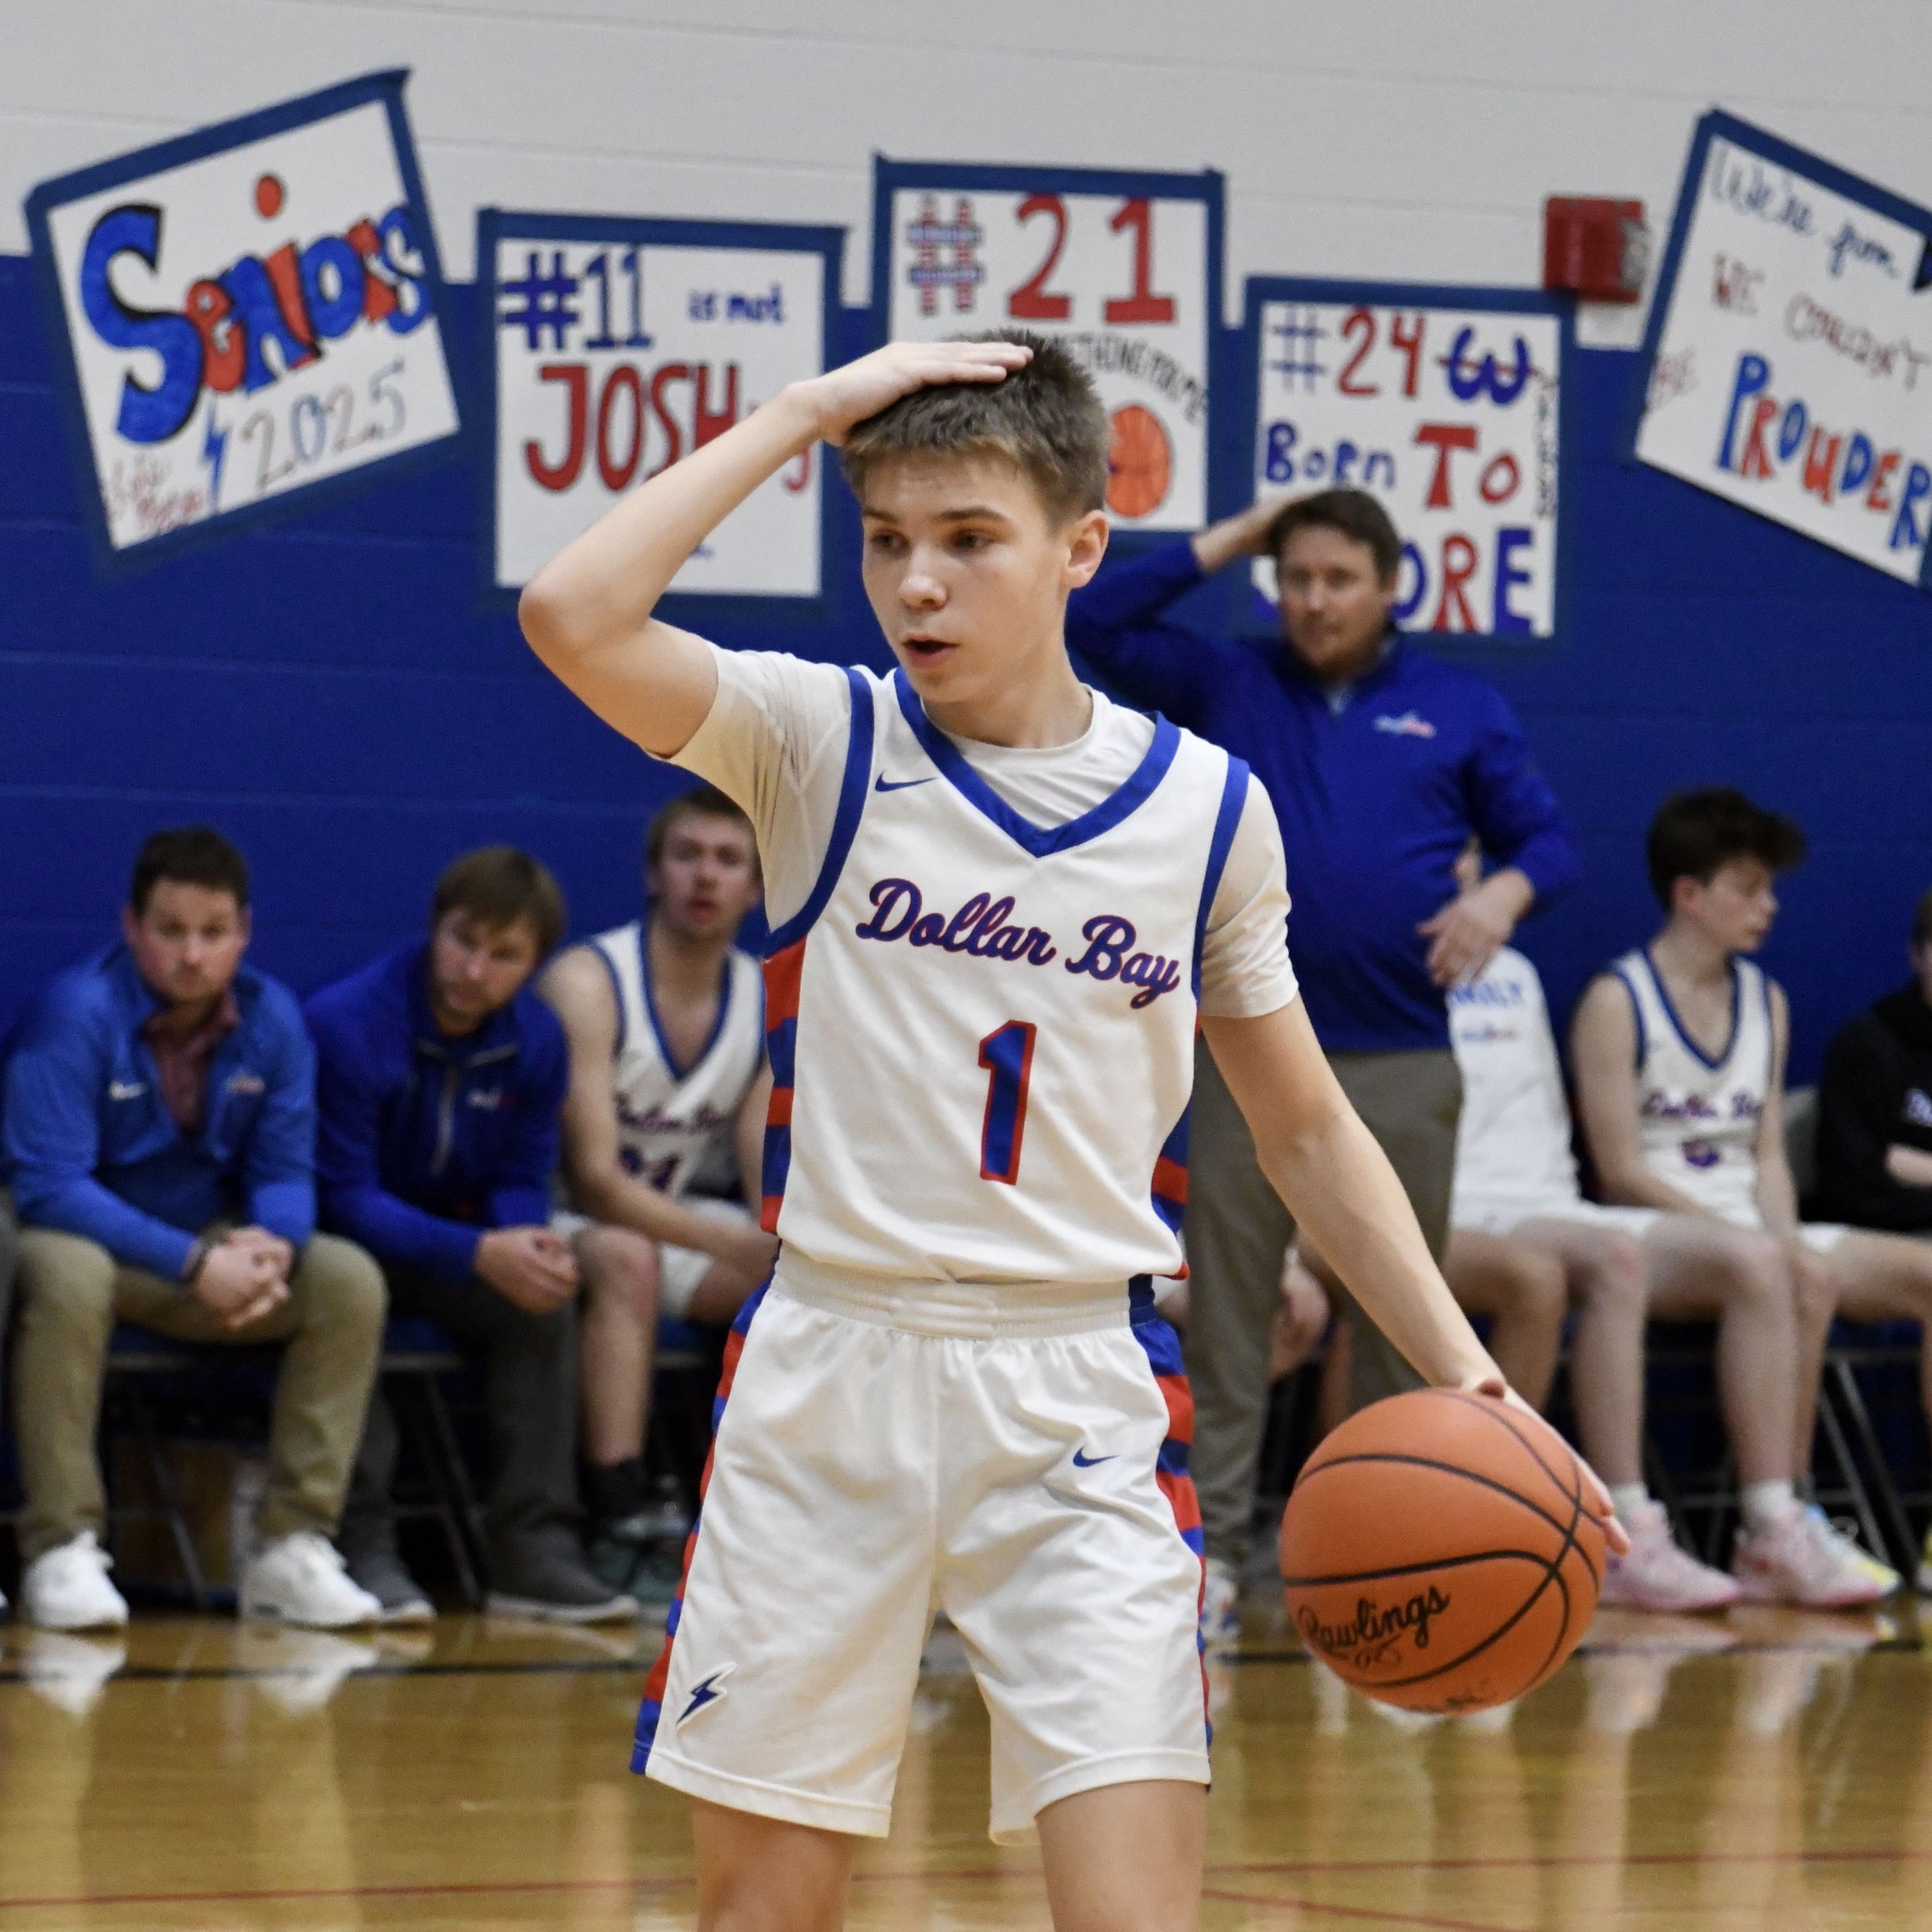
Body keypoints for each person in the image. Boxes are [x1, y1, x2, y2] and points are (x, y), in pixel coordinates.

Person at [518, 329, 1621, 1932]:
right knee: (762, 1911)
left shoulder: (1203, 810)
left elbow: (1305, 1127)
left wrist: (1467, 1375)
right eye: (887, 542)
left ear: (1078, 548)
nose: (919, 586)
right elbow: (572, 613)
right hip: (830, 1368)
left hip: (1080, 1395)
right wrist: (805, 412)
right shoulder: (816, 740)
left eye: (969, 539)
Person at [1065, 486, 1583, 1639]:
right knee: (1230, 1319)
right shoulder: (1230, 681)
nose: (1312, 600)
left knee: (1401, 1316)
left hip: (1402, 1054)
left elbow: (1551, 841)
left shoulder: (1459, 705)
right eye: (1293, 577)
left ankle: (1406, 1556)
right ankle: (1222, 1557)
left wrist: (1502, 890)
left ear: (1391, 585)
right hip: (1246, 1052)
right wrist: (1241, 533)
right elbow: (1089, 627)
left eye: (1337, 578)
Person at [1, 827, 386, 1631]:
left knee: (345, 1280)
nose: (191, 954)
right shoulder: (74, 1013)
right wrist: (193, 1260)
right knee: (68, 1272)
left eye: (213, 934)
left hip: (204, 1247)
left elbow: (285, 1166)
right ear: (131, 926)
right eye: (171, 930)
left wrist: (273, 1243)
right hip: (89, 1241)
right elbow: (49, 1186)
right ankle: (61, 1545)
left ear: (243, 932)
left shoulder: (272, 1016)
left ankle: (292, 1545)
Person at [1571, 787, 1927, 1604]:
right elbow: (1618, 1165)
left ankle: (1791, 1519)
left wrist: (1782, 1231)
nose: (1767, 906)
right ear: (1687, 893)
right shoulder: (1614, 1000)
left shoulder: (1765, 999)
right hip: (1653, 1223)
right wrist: (1751, 1242)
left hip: (1745, 1228)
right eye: (1748, 887)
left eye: (1769, 888)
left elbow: (1766, 1151)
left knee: (1857, 1270)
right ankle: (1761, 1521)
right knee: (1773, 1268)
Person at [307, 848, 635, 1624]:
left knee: (543, 1302)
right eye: (463, 940)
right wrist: (479, 1251)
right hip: (344, 1243)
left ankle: (533, 1547)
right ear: (433, 928)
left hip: (451, 1245)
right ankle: (363, 1538)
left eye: (504, 954)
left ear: (532, 965)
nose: (474, 968)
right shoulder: (348, 1023)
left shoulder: (539, 1038)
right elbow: (343, 1196)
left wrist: (525, 1240)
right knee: (352, 1295)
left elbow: (523, 1170)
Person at [1444, 913, 1790, 1611]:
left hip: (1544, 1199)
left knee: (1756, 1262)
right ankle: (1621, 1522)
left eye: (1474, 860)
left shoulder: (1517, 974)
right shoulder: (1363, 962)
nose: (1463, 879)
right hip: (1449, 1203)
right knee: (1607, 1259)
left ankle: (1774, 1519)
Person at [539, 785, 775, 1599]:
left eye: (727, 859)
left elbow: (759, 1165)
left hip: (673, 1218)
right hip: (560, 1217)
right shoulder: (587, 979)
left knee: (799, 1273)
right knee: (630, 1258)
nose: (705, 878)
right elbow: (596, 1180)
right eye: (687, 855)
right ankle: (619, 1509)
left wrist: (774, 1239)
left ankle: (761, 1513)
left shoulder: (766, 995)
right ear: (652, 873)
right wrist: (727, 1240)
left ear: (756, 884)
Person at [1812, 887, 1932, 1239]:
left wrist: (1907, 1161)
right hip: (1893, 1231)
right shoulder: (1868, 1045)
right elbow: (1855, 1179)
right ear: (1917, 956)